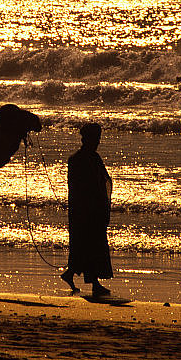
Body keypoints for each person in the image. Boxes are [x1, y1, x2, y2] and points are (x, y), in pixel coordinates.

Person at [61, 123, 113, 297]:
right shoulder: (79, 160)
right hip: (85, 210)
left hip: (89, 209)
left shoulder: (90, 158)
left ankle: (70, 274)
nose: (98, 142)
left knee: (84, 246)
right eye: (96, 139)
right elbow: (81, 187)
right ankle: (95, 285)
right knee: (91, 246)